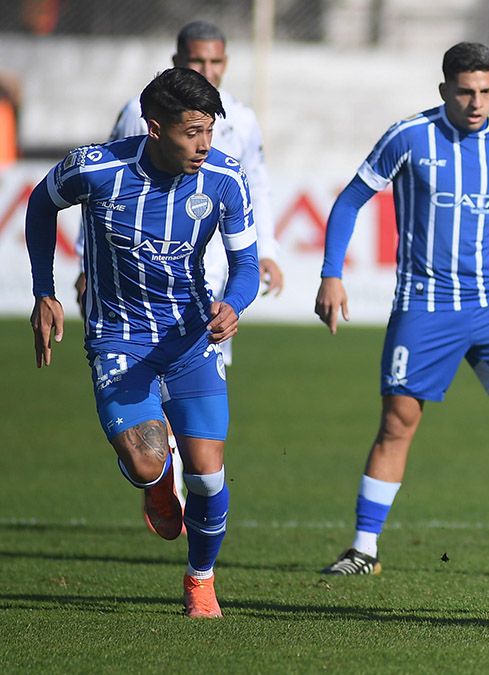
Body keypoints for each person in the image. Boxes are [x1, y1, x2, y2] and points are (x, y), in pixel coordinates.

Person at [314, 42, 489, 579]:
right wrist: (331, 274)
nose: (476, 101)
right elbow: (349, 200)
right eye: (465, 91)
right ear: (444, 89)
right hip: (426, 307)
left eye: (486, 91)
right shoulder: (408, 137)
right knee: (398, 424)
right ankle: (363, 549)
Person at [25, 67, 259, 618]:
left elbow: (246, 263)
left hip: (190, 340)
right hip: (118, 339)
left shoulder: (225, 178)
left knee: (206, 474)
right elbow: (40, 204)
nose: (204, 145)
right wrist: (44, 291)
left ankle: (200, 578)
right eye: (192, 132)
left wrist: (234, 303)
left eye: (209, 131)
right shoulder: (97, 168)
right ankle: (155, 483)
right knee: (147, 462)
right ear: (155, 128)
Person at [73, 19, 284, 522]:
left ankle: (185, 484)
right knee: (152, 431)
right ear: (176, 59)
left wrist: (266, 250)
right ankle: (160, 476)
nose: (207, 70)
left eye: (216, 62)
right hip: (135, 282)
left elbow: (257, 184)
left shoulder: (243, 120)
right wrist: (86, 262)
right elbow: (100, 192)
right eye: (197, 61)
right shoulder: (138, 112)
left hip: (206, 283)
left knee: (200, 414)